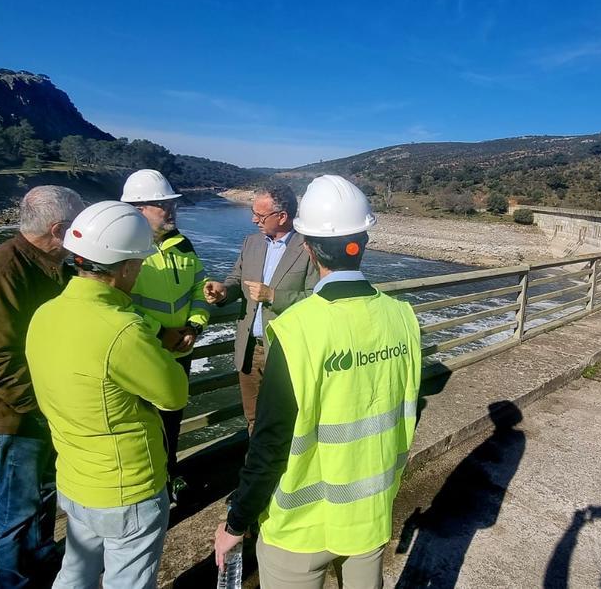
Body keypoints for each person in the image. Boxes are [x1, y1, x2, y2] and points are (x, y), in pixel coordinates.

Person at [213, 175, 423, 589]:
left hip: (301, 529)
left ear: (307, 246)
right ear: (363, 241)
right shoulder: (404, 318)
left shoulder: (296, 330)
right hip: (370, 513)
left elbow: (270, 444)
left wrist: (236, 522)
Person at [26, 201, 189, 589]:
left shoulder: (45, 313)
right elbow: (174, 394)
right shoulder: (122, 329)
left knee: (75, 571)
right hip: (125, 484)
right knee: (128, 581)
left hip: (75, 476)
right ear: (128, 267)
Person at [0, 185, 84, 588]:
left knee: (42, 493)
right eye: (77, 226)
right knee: (17, 507)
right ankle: (10, 582)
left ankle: (40, 561)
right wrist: (45, 406)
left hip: (36, 408)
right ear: (58, 228)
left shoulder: (44, 266)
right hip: (15, 412)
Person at [119, 168, 210, 498]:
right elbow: (117, 301)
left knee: (172, 419)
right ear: (138, 209)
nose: (171, 210)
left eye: (172, 204)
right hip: (142, 353)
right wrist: (160, 333)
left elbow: (200, 287)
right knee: (140, 424)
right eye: (163, 205)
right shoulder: (124, 249)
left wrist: (195, 325)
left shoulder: (182, 245)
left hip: (179, 352)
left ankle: (168, 476)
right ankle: (144, 487)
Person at [203, 182, 318, 434]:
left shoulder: (308, 248)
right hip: (250, 350)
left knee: (288, 418)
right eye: (253, 213)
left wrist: (273, 295)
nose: (254, 220)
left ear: (282, 216)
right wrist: (223, 291)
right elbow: (236, 280)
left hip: (286, 349)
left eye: (260, 215)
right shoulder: (251, 243)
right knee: (253, 419)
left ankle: (286, 471)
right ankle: (257, 469)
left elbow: (316, 300)